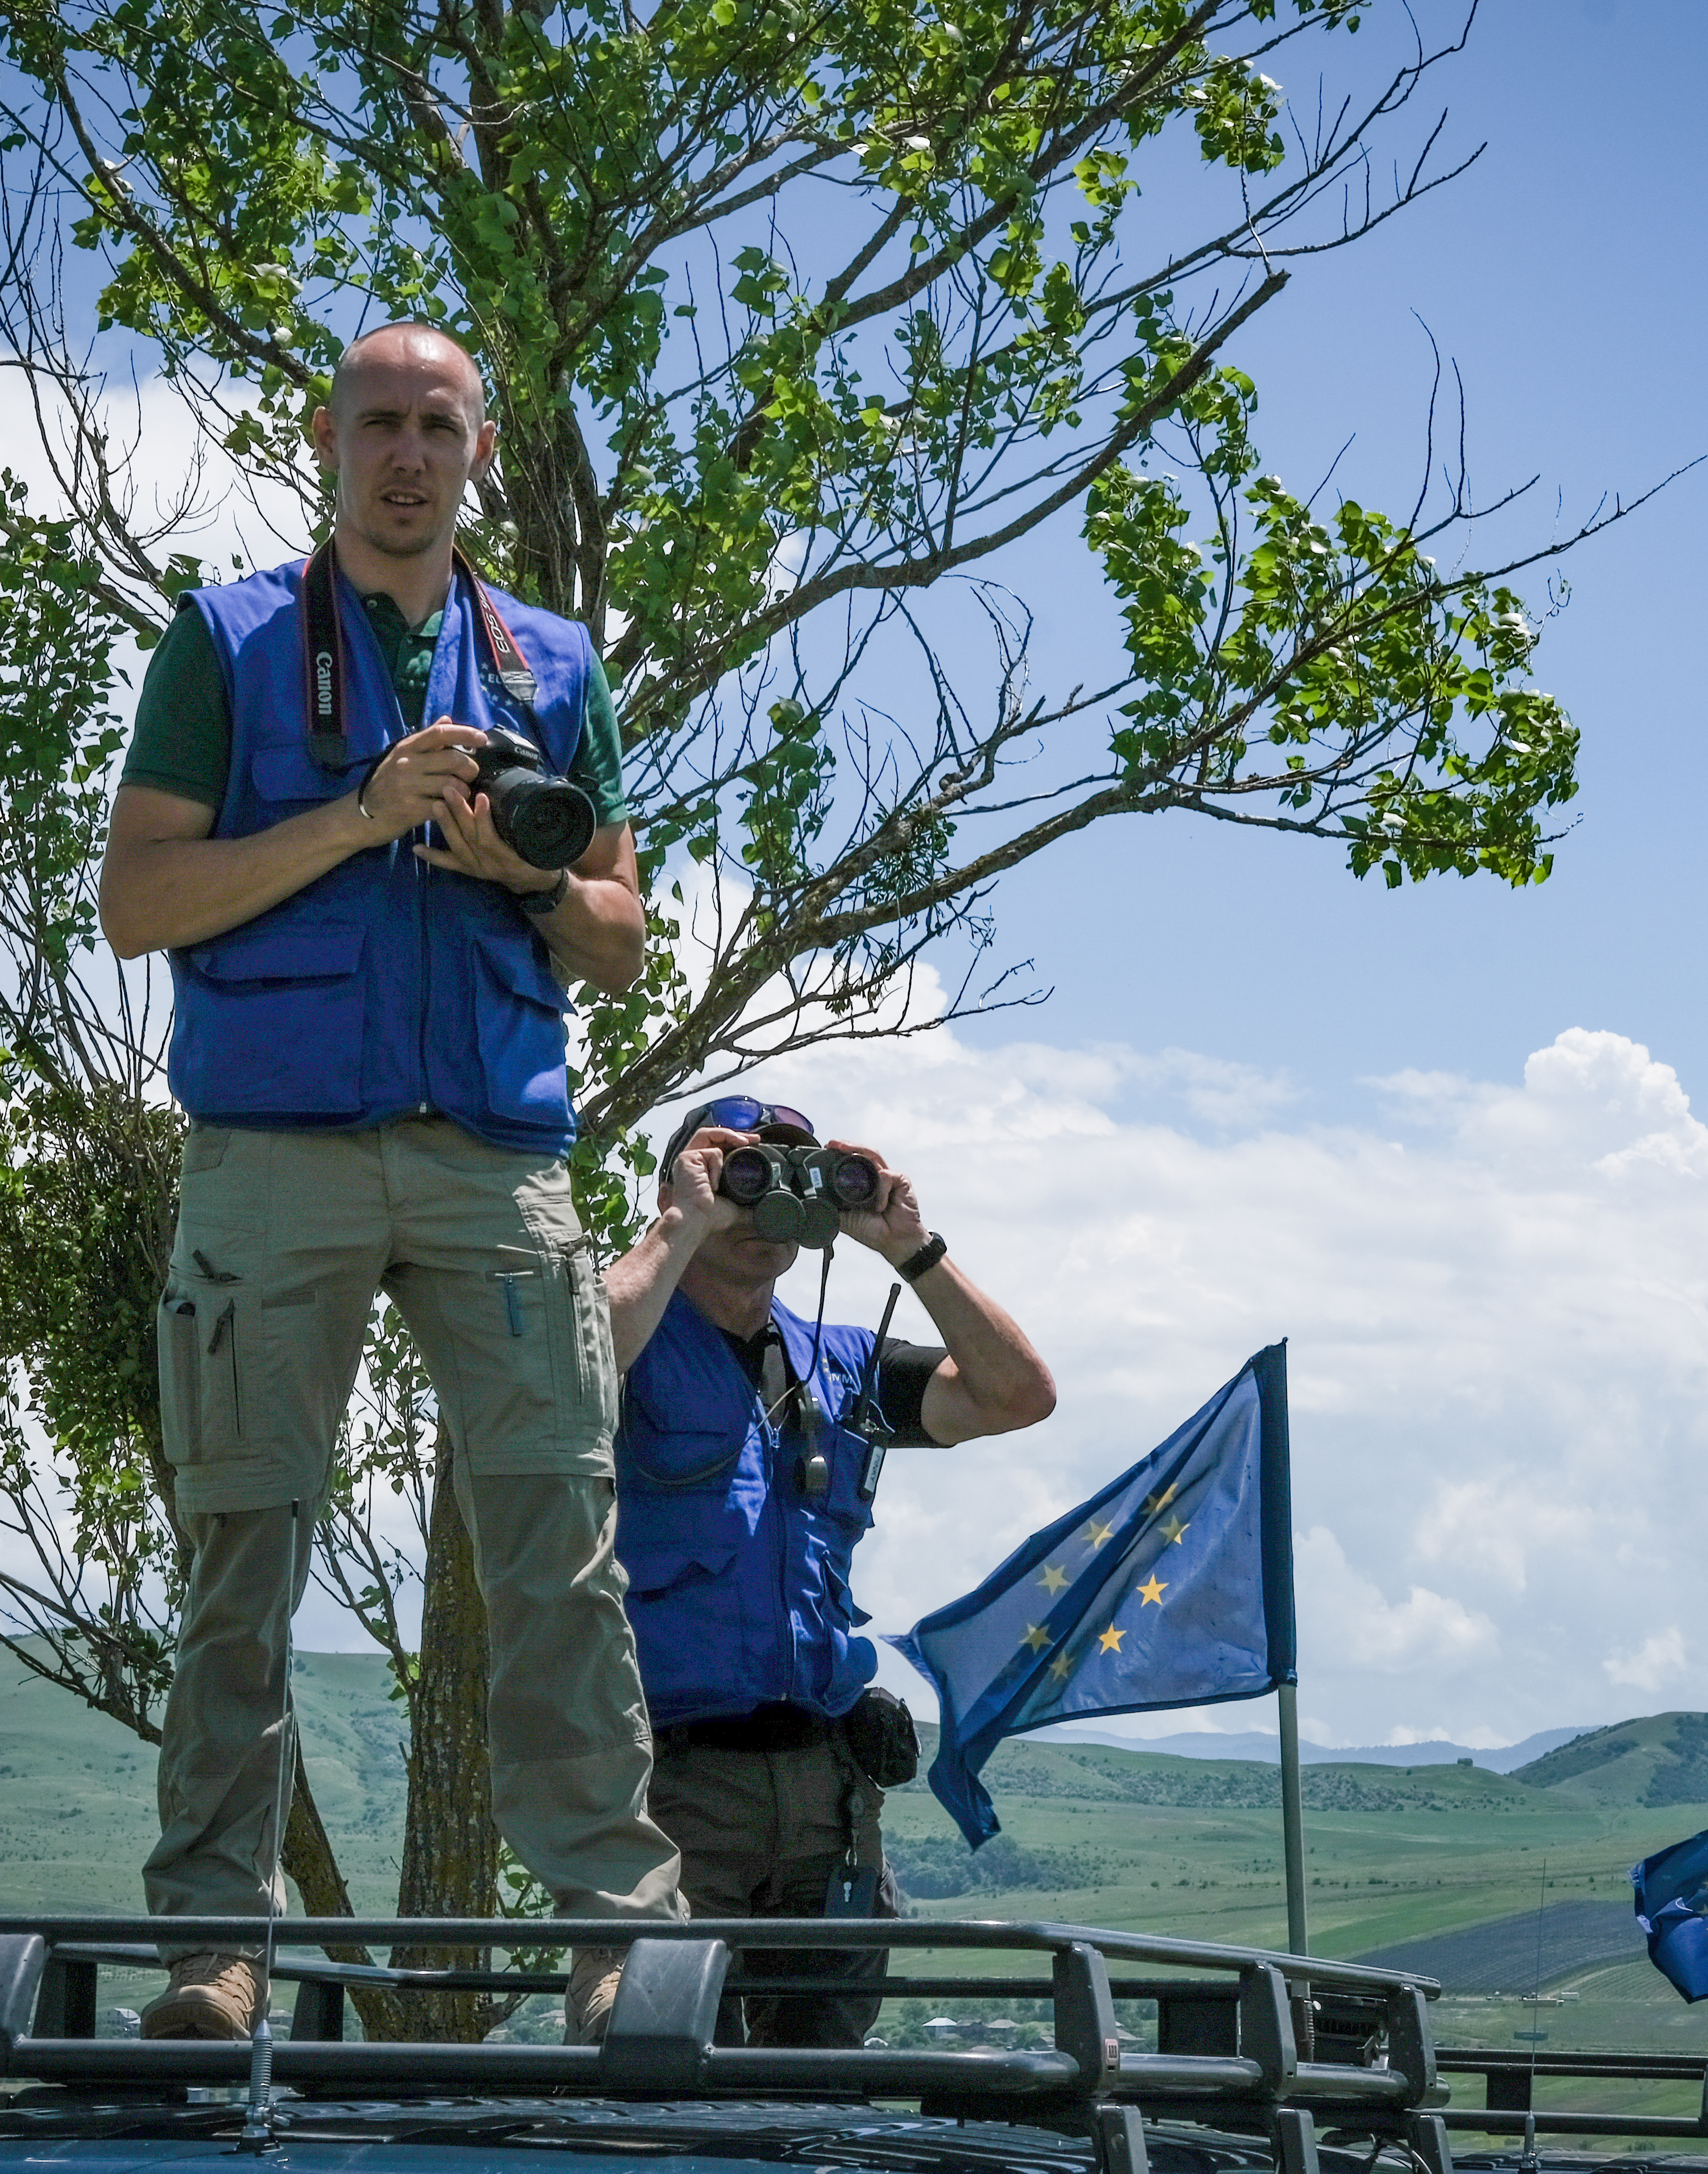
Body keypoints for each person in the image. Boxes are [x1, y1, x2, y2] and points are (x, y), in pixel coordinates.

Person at [97, 321, 684, 2043]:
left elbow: (625, 944)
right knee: (242, 1551)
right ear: (328, 442)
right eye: (379, 426)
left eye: (438, 425)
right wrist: (358, 818)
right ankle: (216, 1947)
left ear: (480, 448)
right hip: (272, 1151)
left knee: (560, 1547)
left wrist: (523, 872)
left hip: (495, 1155)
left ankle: (617, 1941)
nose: (408, 456)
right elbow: (138, 904)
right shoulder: (227, 639)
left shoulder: (551, 659)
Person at [600, 1096, 1057, 2044]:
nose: (765, 1197)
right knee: (662, 2070)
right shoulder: (632, 1337)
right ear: (675, 1184)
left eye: (789, 1171)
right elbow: (564, 1372)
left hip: (828, 1794)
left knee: (822, 2086)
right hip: (676, 1792)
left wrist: (910, 1248)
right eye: (742, 1171)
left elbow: (1019, 1396)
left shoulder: (838, 1363)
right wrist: (683, 1227)